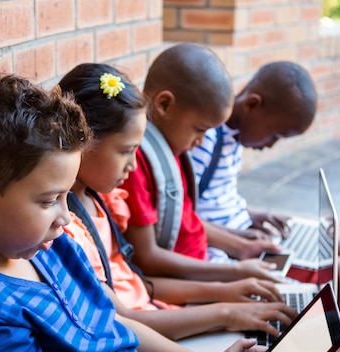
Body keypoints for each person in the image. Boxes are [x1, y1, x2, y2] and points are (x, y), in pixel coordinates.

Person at [0, 73, 297, 352]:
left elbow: (114, 321)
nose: (66, 217)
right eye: (49, 200)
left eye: (67, 197)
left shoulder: (44, 246)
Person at [190, 61, 340, 352]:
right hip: (231, 254)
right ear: (252, 105)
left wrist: (255, 215)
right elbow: (187, 219)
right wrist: (239, 242)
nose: (271, 145)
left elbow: (217, 200)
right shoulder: (204, 139)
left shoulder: (231, 138)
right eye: (274, 134)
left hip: (245, 235)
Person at [59, 62, 297, 341]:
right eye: (126, 151)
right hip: (152, 332)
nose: (133, 165)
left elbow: (140, 285)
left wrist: (227, 289)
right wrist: (225, 310)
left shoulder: (100, 198)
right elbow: (124, 318)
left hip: (163, 310)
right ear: (83, 139)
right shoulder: (68, 226)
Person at [118, 42, 280, 284]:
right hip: (189, 281)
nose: (200, 141)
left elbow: (186, 222)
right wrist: (236, 273)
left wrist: (240, 242)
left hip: (204, 263)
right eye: (199, 129)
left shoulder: (172, 150)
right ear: (164, 105)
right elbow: (147, 258)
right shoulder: (135, 163)